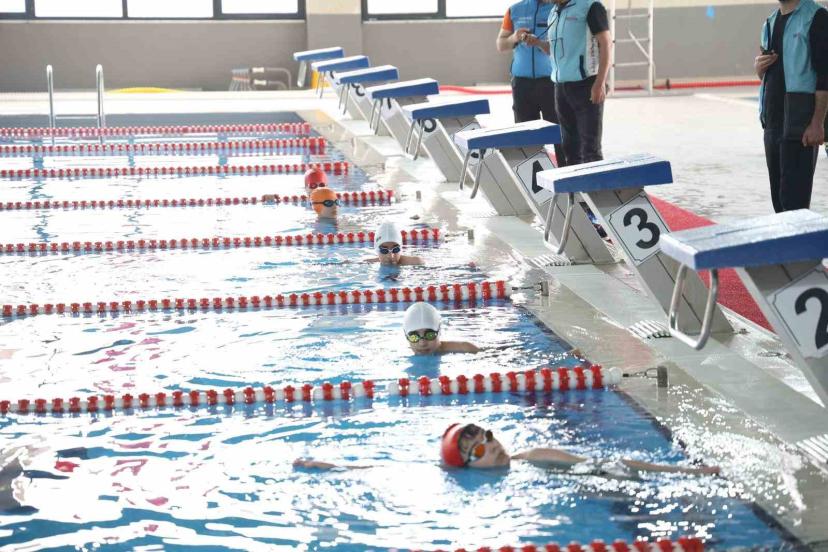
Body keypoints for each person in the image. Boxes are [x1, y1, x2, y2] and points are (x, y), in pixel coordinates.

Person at [293, 423, 721, 476]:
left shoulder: (533, 457)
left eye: (489, 438)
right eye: (478, 451)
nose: (492, 449)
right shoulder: (449, 476)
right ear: (463, 465)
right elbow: (383, 469)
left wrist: (686, 472)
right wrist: (328, 466)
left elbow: (610, 462)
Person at [755, 0, 827, 212]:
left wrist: (817, 122)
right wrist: (759, 68)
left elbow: (825, 75)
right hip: (772, 120)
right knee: (778, 203)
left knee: (794, 204)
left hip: (800, 123)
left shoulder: (817, 17)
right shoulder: (770, 22)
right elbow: (770, 74)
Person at [539, 0, 611, 166]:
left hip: (586, 85)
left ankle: (594, 183)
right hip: (561, 88)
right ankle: (574, 184)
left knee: (590, 150)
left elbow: (606, 44)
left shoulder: (590, 6)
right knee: (569, 149)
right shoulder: (554, 12)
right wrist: (537, 42)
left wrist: (600, 82)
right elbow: (554, 49)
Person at [497, 0, 567, 166]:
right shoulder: (514, 10)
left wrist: (539, 43)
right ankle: (533, 177)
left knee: (561, 133)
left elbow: (564, 48)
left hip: (551, 82)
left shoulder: (559, 9)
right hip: (522, 84)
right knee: (526, 136)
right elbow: (501, 44)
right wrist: (514, 37)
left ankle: (566, 175)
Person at [403, 302, 480, 355]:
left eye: (430, 335)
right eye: (414, 337)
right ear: (406, 336)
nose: (422, 343)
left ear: (439, 331)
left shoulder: (465, 349)